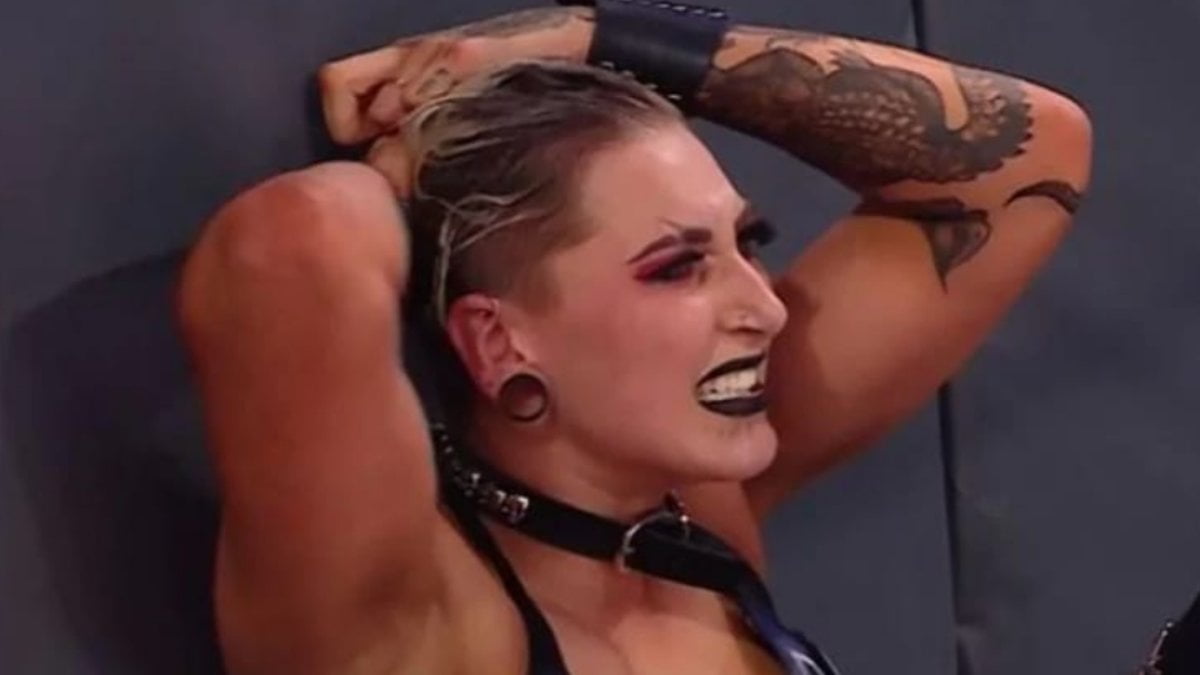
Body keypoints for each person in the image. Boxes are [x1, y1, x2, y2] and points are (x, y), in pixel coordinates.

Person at [177, 3, 1092, 674]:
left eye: (747, 243)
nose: (766, 307)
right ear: (497, 343)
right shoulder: (419, 631)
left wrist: (592, 41)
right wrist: (415, 161)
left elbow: (1026, 157)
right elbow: (287, 247)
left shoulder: (701, 516)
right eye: (676, 267)